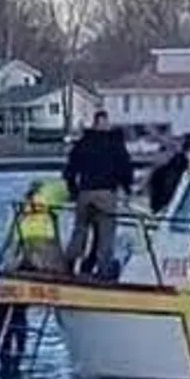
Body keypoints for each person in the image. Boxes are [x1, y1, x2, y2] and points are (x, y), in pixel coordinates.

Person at [61, 110, 134, 277]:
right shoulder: (115, 144)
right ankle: (103, 269)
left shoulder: (83, 143)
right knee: (106, 233)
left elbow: (70, 171)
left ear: (94, 123)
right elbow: (124, 169)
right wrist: (128, 189)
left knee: (80, 230)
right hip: (106, 193)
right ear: (106, 123)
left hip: (85, 193)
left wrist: (73, 192)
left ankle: (69, 262)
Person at [14, 178, 68, 272]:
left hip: (25, 240)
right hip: (46, 238)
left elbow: (15, 228)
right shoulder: (50, 195)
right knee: (59, 270)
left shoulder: (23, 204)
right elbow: (69, 192)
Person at [145, 133, 190, 214]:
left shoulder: (160, 171)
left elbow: (153, 189)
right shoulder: (164, 171)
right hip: (172, 205)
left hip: (164, 206)